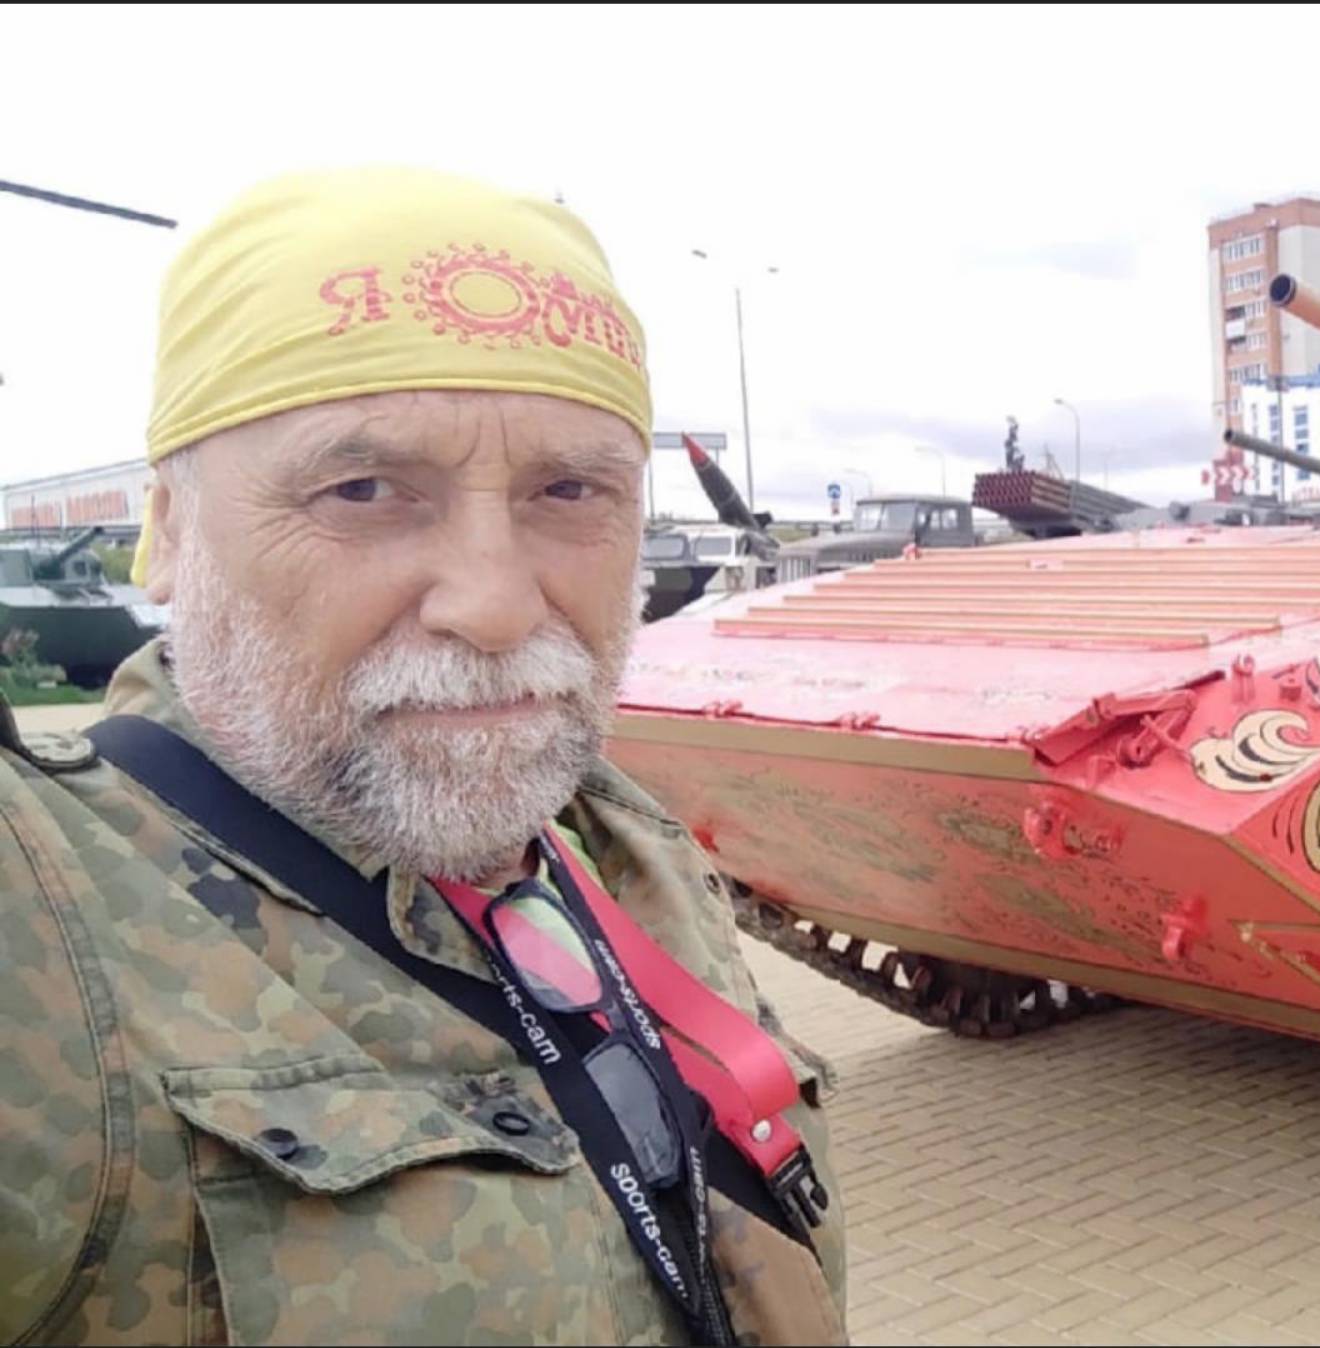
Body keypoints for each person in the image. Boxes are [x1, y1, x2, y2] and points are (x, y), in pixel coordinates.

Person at [0, 166, 846, 1345]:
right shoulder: (50, 919)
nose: (495, 605)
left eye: (570, 488)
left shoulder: (623, 845)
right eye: (362, 489)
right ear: (173, 531)